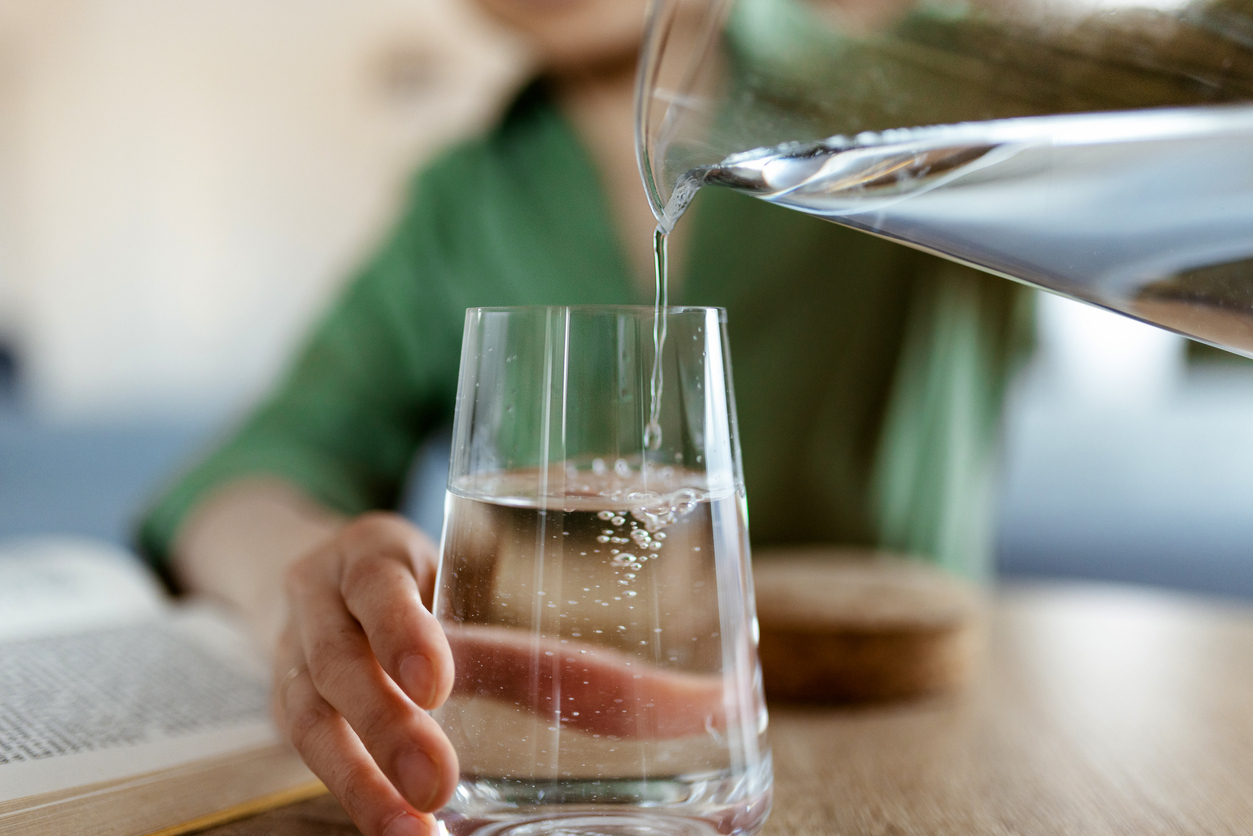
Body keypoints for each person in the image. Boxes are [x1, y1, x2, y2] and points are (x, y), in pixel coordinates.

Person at [137, 0, 1028, 834]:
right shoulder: (462, 201)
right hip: (539, 765)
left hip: (925, 745)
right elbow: (254, 469)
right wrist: (298, 590)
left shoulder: (932, 91)